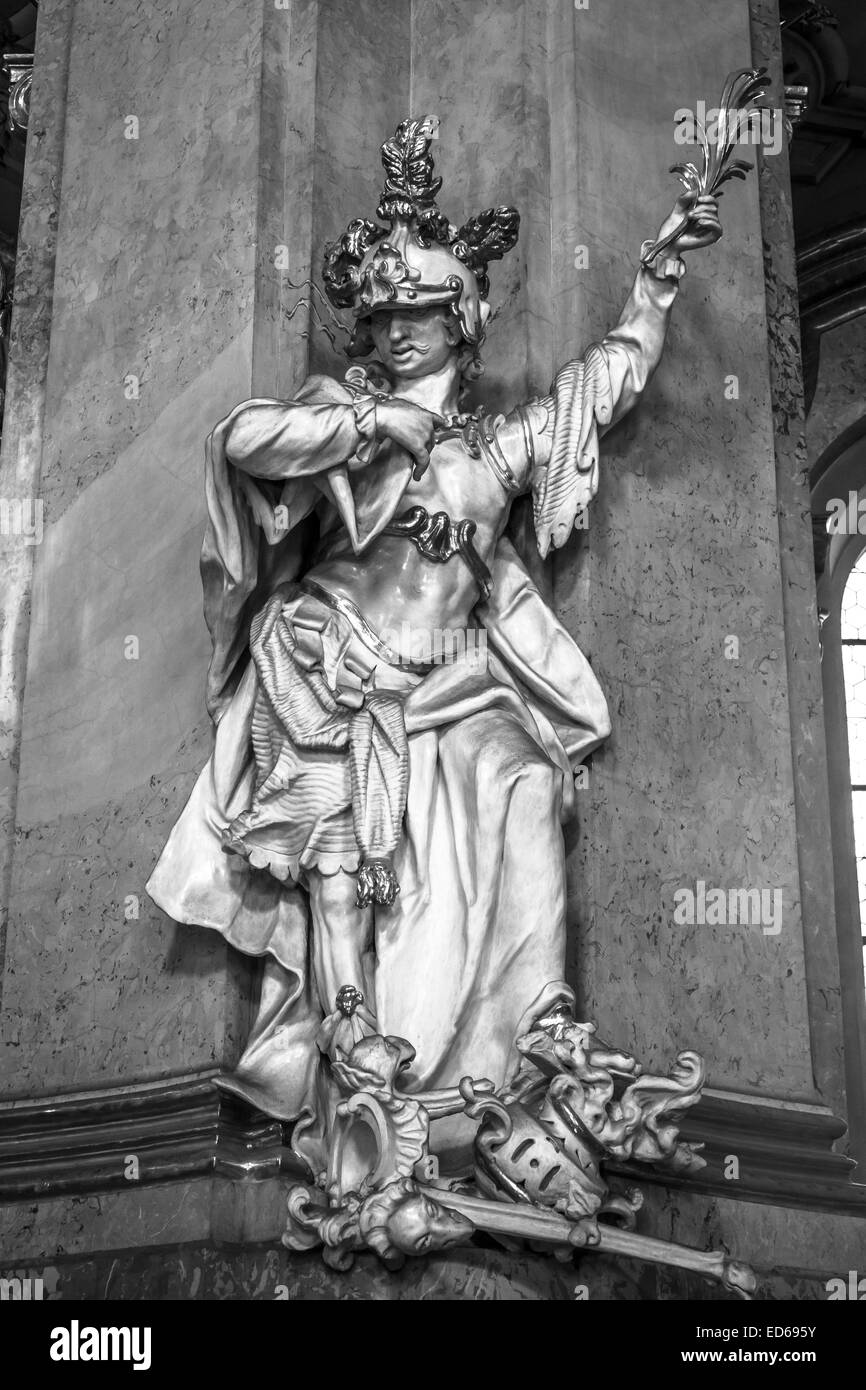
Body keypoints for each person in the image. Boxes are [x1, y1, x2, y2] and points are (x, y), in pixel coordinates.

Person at [147, 116, 721, 1174]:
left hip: (452, 685)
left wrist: (650, 289)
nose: (397, 329)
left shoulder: (500, 448)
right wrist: (372, 430)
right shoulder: (339, 412)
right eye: (382, 313)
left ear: (462, 319)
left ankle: (540, 1026)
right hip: (334, 671)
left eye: (420, 310)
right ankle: (353, 1043)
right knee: (339, 869)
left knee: (525, 778)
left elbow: (600, 386)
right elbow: (240, 439)